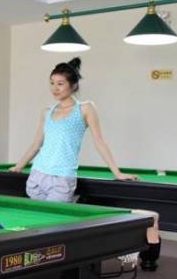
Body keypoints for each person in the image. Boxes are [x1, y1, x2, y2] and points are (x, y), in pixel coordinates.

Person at [10, 57, 137, 202]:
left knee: (55, 216)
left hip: (62, 178)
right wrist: (18, 167)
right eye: (52, 83)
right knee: (36, 216)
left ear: (74, 85)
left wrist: (117, 173)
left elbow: (99, 142)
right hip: (37, 175)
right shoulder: (46, 112)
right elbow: (36, 145)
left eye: (60, 84)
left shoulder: (85, 108)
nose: (54, 88)